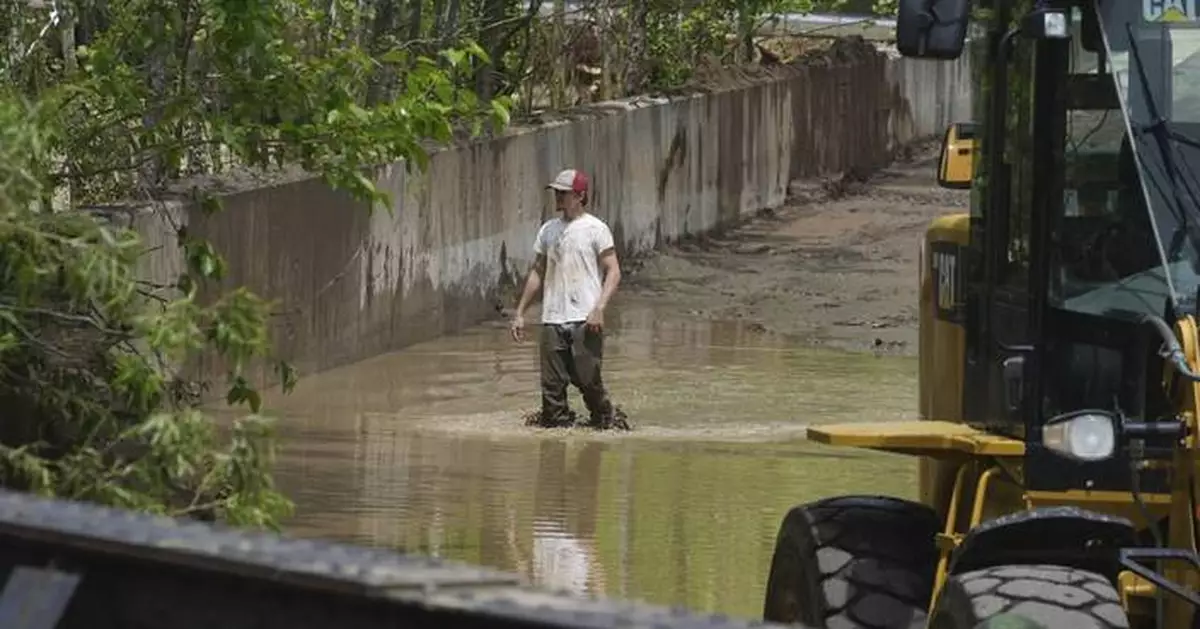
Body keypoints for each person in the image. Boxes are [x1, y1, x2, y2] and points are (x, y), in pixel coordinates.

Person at [510, 168, 625, 429]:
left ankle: (607, 419)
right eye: (557, 193)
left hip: (585, 317)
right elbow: (538, 272)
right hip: (552, 317)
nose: (558, 198)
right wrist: (520, 313)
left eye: (564, 193)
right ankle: (555, 445)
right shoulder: (548, 230)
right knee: (551, 389)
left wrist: (600, 308)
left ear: (580, 196)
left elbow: (614, 270)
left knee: (587, 380)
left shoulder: (596, 229)